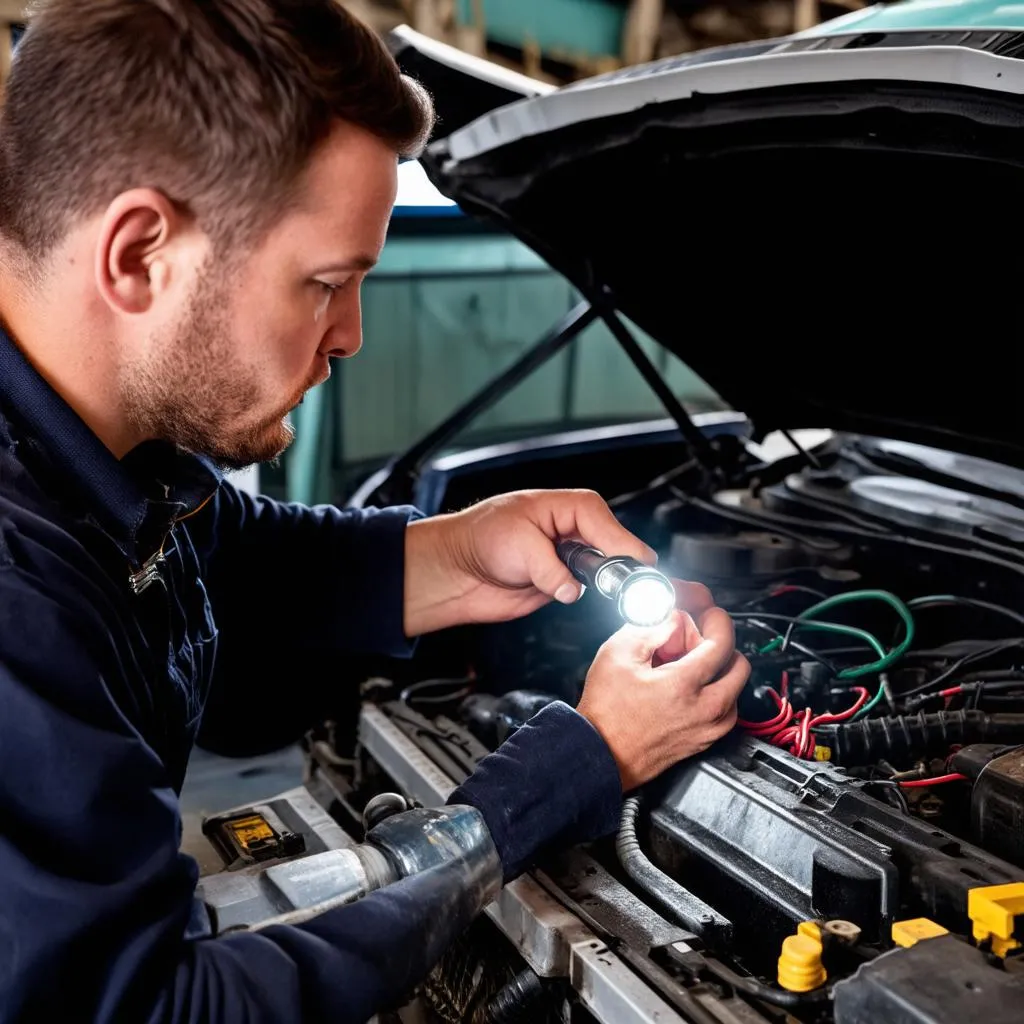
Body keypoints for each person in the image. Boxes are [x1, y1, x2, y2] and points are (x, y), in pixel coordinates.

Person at [0, 2, 751, 1021]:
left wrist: (457, 550)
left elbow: (222, 553)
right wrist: (567, 769)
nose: (348, 334)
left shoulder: (84, 448)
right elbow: (167, 1007)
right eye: (324, 284)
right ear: (137, 252)